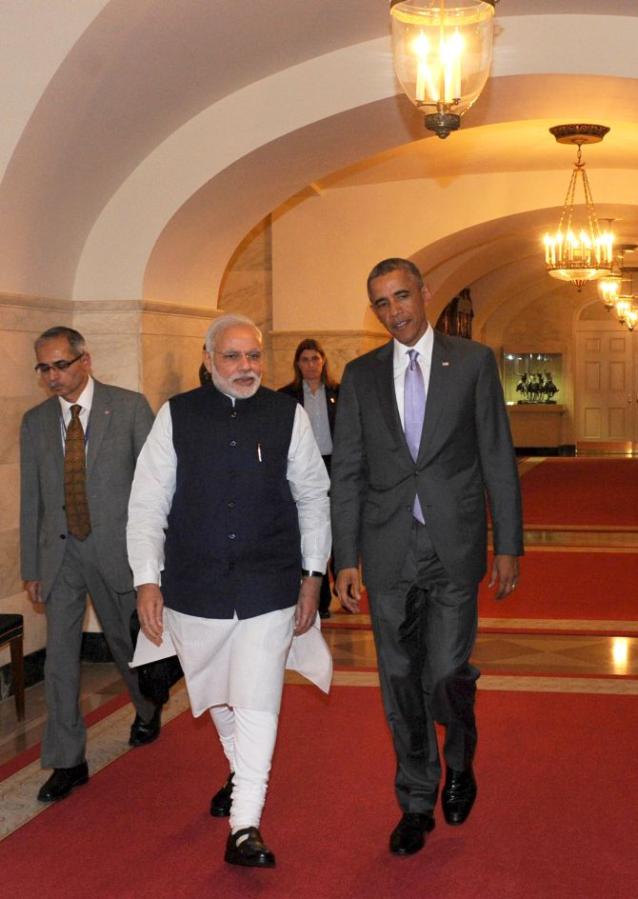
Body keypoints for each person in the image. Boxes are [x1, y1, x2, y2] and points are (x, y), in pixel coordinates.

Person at [331, 259, 523, 857]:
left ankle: (459, 754)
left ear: (426, 293)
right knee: (397, 679)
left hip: (454, 543)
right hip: (388, 548)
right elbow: (349, 472)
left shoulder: (470, 363)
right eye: (382, 304)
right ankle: (416, 799)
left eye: (402, 297)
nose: (395, 312)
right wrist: (345, 557)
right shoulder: (360, 375)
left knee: (443, 672)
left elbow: (496, 454)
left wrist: (508, 543)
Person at [127, 313, 331, 869]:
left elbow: (314, 497)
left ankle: (245, 825)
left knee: (258, 695)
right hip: (195, 584)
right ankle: (243, 779)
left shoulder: (287, 414)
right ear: (208, 358)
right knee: (216, 692)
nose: (246, 368)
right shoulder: (177, 416)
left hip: (270, 580)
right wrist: (147, 579)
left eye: (254, 357)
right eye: (233, 357)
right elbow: (147, 504)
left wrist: (313, 576)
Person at [20, 326, 161, 804]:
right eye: (44, 368)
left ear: (86, 361)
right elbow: (31, 499)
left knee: (125, 644)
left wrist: (154, 559)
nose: (53, 376)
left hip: (116, 550)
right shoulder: (36, 422)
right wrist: (31, 567)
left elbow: (155, 486)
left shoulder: (128, 407)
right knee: (60, 659)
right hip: (60, 555)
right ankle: (67, 760)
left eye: (61, 364)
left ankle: (146, 707)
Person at [279, 338, 339, 617]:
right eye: (305, 360)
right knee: (312, 528)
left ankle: (342, 575)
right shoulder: (287, 397)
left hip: (334, 465)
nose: (311, 365)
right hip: (303, 469)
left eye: (315, 358)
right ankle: (321, 597)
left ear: (323, 360)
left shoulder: (339, 392)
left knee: (336, 527)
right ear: (297, 364)